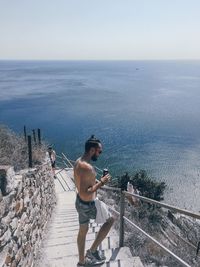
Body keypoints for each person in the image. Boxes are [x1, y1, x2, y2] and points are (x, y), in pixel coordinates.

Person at [74, 135, 114, 266]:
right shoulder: (89, 169)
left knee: (82, 232)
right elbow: (88, 191)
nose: (100, 154)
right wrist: (101, 182)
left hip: (79, 202)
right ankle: (91, 251)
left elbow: (82, 184)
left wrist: (95, 181)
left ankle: (81, 261)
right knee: (110, 220)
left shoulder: (78, 162)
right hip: (89, 204)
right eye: (99, 151)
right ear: (92, 150)